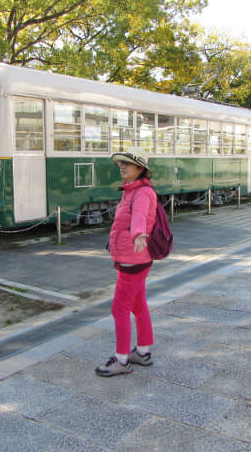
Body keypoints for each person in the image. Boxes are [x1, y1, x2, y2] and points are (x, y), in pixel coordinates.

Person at [95, 146, 157, 377]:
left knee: (119, 308)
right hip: (134, 257)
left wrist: (138, 233)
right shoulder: (132, 191)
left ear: (140, 168)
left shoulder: (141, 193)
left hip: (134, 258)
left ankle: (121, 360)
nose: (122, 167)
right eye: (120, 163)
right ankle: (142, 352)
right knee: (138, 306)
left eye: (127, 164)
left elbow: (140, 216)